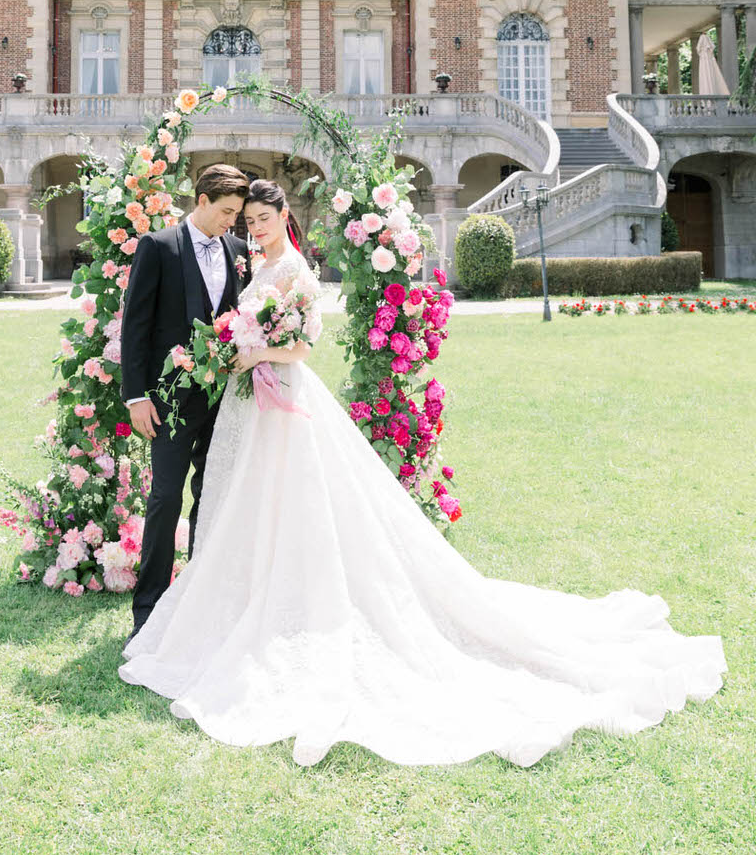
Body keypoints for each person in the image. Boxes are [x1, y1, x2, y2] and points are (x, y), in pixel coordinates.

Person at [119, 179, 726, 769]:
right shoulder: (245, 260)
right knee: (239, 500)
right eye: (246, 219)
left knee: (288, 500)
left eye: (261, 218)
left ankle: (283, 604)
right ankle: (231, 596)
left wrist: (256, 351)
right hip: (243, 404)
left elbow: (302, 346)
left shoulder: (295, 271)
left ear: (284, 218)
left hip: (280, 395)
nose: (252, 227)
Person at [120, 162, 251, 642]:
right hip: (168, 401)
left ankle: (197, 600)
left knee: (211, 495)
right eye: (226, 212)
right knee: (165, 497)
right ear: (202, 200)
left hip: (223, 398)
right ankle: (149, 608)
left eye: (237, 215)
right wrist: (136, 396)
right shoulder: (158, 246)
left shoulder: (237, 251)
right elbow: (135, 325)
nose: (232, 222)